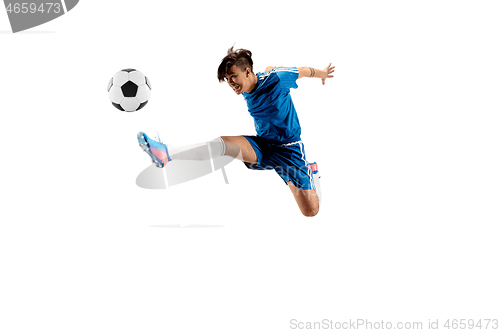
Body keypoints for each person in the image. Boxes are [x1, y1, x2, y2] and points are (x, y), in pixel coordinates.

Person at [137, 47, 334, 217]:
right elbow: (266, 69)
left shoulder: (278, 77)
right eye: (227, 79)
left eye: (233, 77)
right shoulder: (250, 83)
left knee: (310, 211)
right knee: (225, 144)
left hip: (289, 149)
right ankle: (166, 153)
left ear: (247, 72)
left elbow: (303, 71)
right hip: (263, 146)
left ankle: (312, 172)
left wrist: (323, 74)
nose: (231, 83)